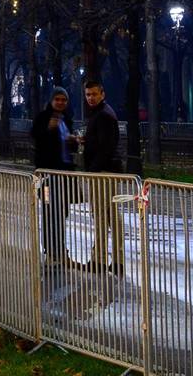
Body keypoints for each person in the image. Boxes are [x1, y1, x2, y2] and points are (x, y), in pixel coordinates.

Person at [80, 80, 124, 274]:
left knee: (101, 216)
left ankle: (99, 259)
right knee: (110, 215)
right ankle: (117, 260)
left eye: (94, 94)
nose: (90, 98)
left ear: (102, 94)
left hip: (102, 172)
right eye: (88, 94)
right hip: (107, 170)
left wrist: (92, 169)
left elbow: (106, 147)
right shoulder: (103, 113)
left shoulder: (103, 115)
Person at [32, 88, 73, 265]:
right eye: (57, 99)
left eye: (64, 100)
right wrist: (48, 129)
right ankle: (50, 251)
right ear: (51, 100)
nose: (61, 102)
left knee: (62, 213)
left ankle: (61, 249)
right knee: (49, 212)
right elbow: (36, 137)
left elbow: (67, 146)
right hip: (48, 176)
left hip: (64, 174)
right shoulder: (43, 117)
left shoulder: (66, 119)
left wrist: (73, 141)